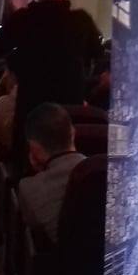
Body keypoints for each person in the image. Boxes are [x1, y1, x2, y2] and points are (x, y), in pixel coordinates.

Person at [0, 0, 103, 171]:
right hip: (70, 106)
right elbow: (97, 53)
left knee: (26, 165)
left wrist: (17, 62)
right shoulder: (81, 20)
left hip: (31, 103)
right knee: (68, 163)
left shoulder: (23, 18)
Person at [17, 103, 87, 245]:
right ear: (73, 133)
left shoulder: (28, 188)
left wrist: (40, 173)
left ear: (34, 149)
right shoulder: (102, 169)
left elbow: (35, 232)